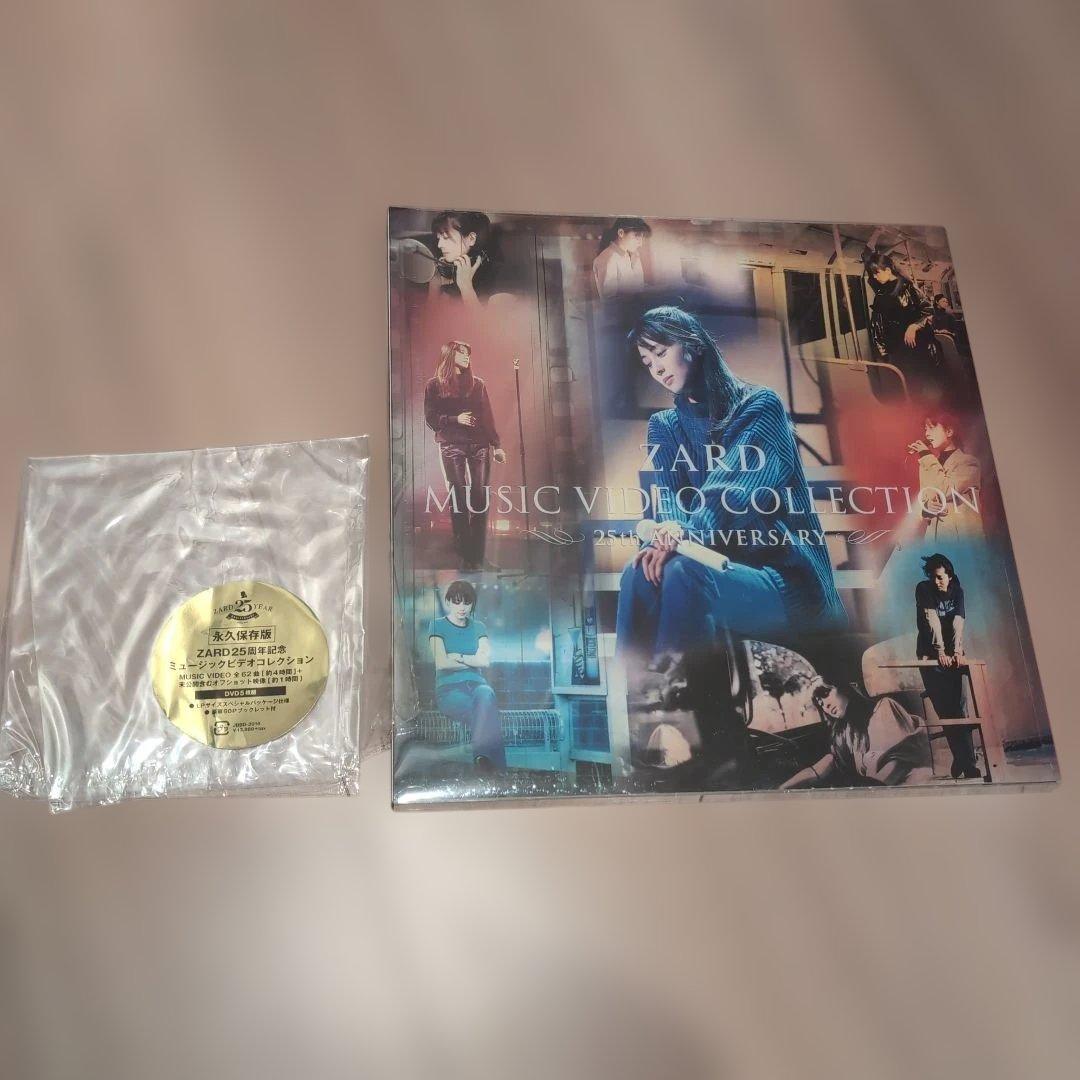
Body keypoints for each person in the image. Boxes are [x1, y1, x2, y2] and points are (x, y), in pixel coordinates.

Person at [615, 306, 846, 660]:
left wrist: (683, 535)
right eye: (647, 362)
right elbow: (669, 502)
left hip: (784, 580)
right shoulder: (664, 426)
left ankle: (678, 692)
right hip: (712, 570)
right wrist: (666, 534)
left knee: (682, 573)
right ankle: (640, 690)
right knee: (636, 574)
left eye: (660, 352)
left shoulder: (760, 406)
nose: (657, 369)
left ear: (693, 344)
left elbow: (732, 494)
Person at [424, 340, 507, 570]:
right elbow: (431, 419)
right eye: (461, 353)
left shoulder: (477, 384)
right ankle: (465, 556)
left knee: (480, 499)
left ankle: (478, 557)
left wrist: (496, 445)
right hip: (452, 445)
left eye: (468, 354)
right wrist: (455, 419)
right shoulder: (434, 385)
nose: (466, 357)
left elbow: (488, 416)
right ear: (450, 355)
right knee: (459, 498)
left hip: (479, 445)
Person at [779, 682, 933, 788]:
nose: (825, 705)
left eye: (825, 693)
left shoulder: (884, 708)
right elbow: (822, 767)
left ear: (846, 686)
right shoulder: (847, 732)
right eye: (820, 704)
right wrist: (782, 788)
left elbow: (897, 766)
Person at [428, 580, 506, 773]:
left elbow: (485, 661)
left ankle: (482, 760)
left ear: (472, 604)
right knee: (488, 716)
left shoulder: (478, 627)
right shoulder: (437, 625)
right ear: (448, 602)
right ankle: (496, 769)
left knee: (486, 692)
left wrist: (459, 657)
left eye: (467, 602)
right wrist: (472, 660)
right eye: (457, 602)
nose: (462, 607)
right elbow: (442, 663)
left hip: (478, 688)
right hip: (450, 691)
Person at [914, 553, 979, 778]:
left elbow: (958, 621)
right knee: (945, 710)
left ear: (949, 576)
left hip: (953, 653)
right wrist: (940, 651)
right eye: (932, 577)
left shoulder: (958, 591)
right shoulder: (923, 588)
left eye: (940, 577)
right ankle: (962, 759)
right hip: (930, 653)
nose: (936, 581)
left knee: (959, 708)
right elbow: (931, 620)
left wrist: (957, 651)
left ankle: (968, 764)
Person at [861, 239, 940, 402]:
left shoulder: (908, 287)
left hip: (916, 343)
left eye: (877, 273)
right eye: (873, 274)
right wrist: (883, 351)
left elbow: (928, 310)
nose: (874, 277)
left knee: (920, 384)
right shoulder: (880, 290)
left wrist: (914, 326)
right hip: (895, 345)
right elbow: (878, 323)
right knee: (904, 385)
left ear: (888, 270)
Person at [906, 412, 983, 541]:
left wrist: (926, 455)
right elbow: (925, 497)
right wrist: (926, 508)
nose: (927, 434)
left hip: (960, 541)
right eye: (925, 429)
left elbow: (946, 490)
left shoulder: (968, 463)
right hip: (935, 541)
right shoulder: (927, 464)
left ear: (949, 432)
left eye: (932, 428)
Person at [427, 210, 498, 309]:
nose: (440, 245)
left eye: (446, 237)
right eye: (439, 239)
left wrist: (466, 287)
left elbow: (487, 319)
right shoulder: (450, 274)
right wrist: (434, 287)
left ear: (471, 239)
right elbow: (430, 317)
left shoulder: (500, 277)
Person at [592, 217, 650, 298]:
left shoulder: (634, 254)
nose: (641, 244)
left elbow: (639, 287)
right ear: (621, 233)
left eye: (642, 237)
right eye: (637, 236)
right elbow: (610, 301)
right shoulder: (608, 259)